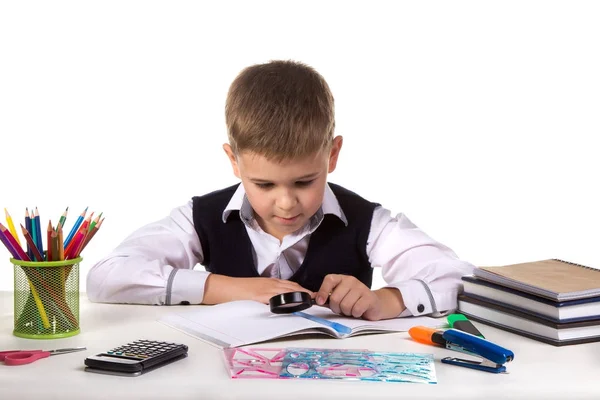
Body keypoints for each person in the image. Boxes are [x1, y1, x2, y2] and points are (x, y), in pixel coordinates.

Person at [87, 59, 474, 321]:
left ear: (332, 154)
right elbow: (106, 276)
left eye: (305, 182)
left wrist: (386, 300)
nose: (286, 202)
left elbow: (461, 278)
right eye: (264, 184)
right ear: (234, 162)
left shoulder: (368, 221)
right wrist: (222, 287)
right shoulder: (200, 217)